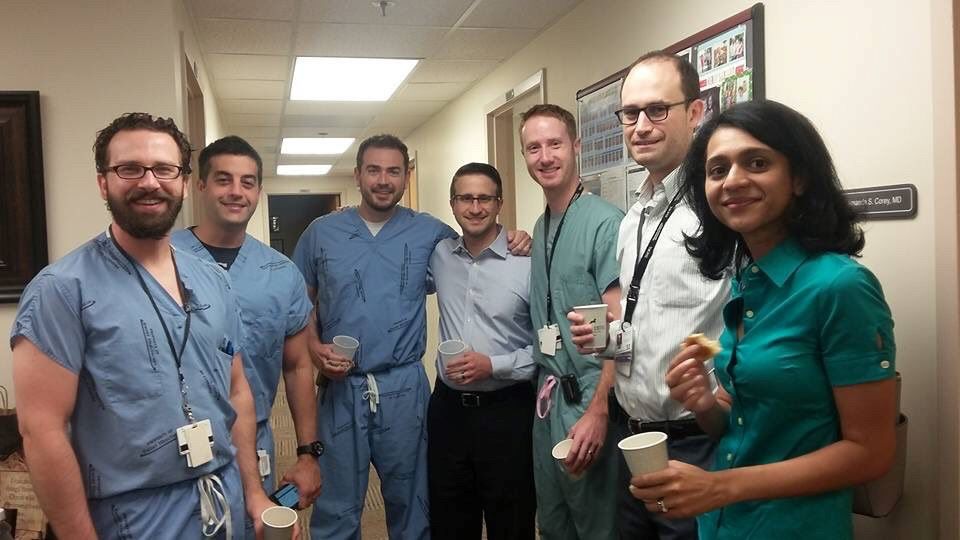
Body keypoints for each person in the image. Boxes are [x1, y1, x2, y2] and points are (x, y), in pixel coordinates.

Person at [629, 100, 898, 539]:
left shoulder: (840, 287)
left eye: (756, 162)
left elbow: (870, 452)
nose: (733, 181)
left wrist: (719, 487)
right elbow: (740, 419)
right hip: (725, 525)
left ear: (799, 177)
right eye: (717, 170)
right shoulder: (746, 281)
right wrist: (702, 404)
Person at [10, 113, 277, 538]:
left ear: (184, 182)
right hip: (133, 516)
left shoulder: (212, 279)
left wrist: (254, 492)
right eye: (130, 169)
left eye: (164, 169)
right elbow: (41, 431)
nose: (149, 182)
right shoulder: (62, 291)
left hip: (222, 498)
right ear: (103, 182)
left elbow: (237, 391)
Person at [292, 134, 531, 539]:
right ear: (358, 175)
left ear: (406, 176)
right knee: (336, 507)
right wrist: (314, 348)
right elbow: (300, 307)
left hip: (403, 386)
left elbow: (477, 245)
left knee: (414, 503)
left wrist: (516, 237)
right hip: (339, 390)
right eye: (373, 170)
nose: (383, 180)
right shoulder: (321, 233)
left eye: (394, 171)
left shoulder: (429, 234)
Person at [571, 51, 728, 540]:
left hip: (697, 441)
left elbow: (744, 322)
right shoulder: (634, 217)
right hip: (633, 436)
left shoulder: (720, 208)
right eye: (630, 113)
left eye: (657, 110)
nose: (640, 125)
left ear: (696, 113)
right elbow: (650, 322)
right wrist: (609, 339)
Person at [171, 136, 323, 524]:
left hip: (254, 442)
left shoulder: (280, 273)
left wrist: (307, 453)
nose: (236, 192)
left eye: (248, 182)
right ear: (200, 185)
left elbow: (297, 367)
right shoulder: (161, 259)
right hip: (172, 444)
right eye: (224, 180)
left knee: (251, 527)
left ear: (258, 191)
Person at [520, 104, 624, 539]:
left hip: (587, 401)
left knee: (595, 525)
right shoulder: (542, 227)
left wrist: (600, 409)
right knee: (554, 522)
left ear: (576, 147)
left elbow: (619, 327)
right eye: (533, 147)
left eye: (555, 144)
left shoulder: (604, 223)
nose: (545, 157)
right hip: (548, 403)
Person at [427, 162, 537, 540]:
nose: (475, 207)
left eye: (484, 198)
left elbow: (549, 346)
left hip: (508, 412)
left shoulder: (528, 262)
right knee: (449, 520)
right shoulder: (439, 254)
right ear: (453, 204)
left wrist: (495, 365)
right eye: (465, 198)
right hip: (447, 412)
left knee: (512, 520)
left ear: (499, 203)